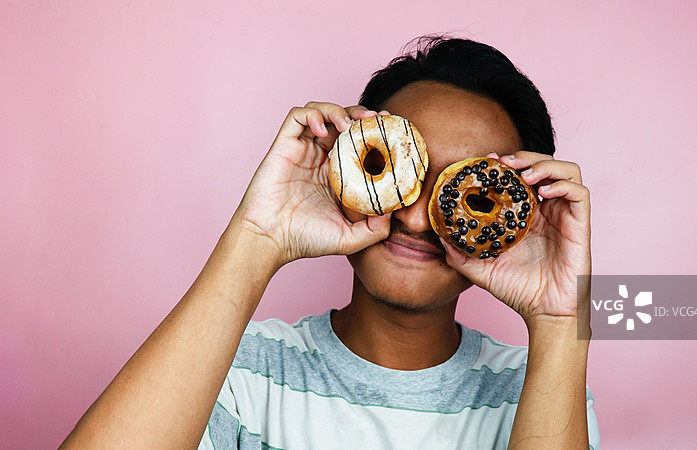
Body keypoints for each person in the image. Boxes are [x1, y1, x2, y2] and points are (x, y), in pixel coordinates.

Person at [60, 36, 599, 449]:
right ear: (347, 162)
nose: (416, 219)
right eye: (406, 175)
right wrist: (259, 236)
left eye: (457, 192)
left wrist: (560, 321)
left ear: (517, 221)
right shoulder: (231, 369)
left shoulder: (544, 393)